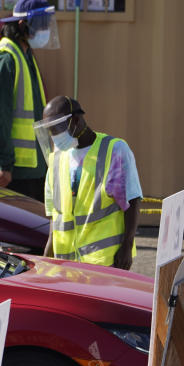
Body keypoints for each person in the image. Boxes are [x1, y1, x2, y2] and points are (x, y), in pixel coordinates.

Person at [0, 0, 58, 203]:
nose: (45, 29)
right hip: (12, 171)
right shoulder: (6, 58)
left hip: (28, 167)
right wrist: (4, 165)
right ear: (22, 25)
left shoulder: (24, 54)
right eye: (41, 24)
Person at [37, 95, 143, 269]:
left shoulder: (114, 150)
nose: (53, 136)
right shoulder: (56, 160)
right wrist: (46, 261)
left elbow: (132, 200)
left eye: (56, 129)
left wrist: (127, 246)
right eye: (50, 130)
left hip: (104, 261)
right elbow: (54, 218)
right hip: (66, 265)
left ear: (76, 120)